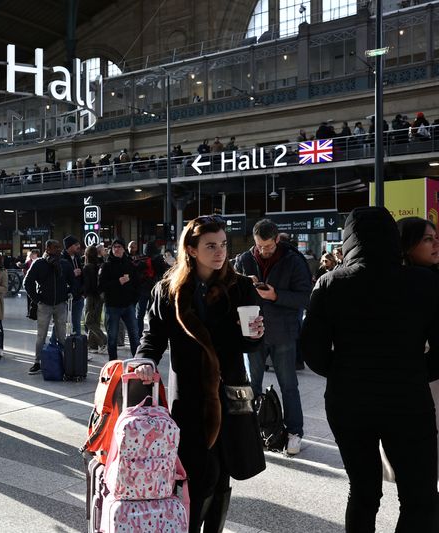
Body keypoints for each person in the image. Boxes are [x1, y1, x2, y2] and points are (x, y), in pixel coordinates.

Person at [300, 207, 439, 531]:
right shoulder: (424, 283)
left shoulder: (331, 283)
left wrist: (342, 370)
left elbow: (312, 351)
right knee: (419, 498)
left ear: (348, 240)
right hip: (407, 402)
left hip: (349, 403)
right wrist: (419, 371)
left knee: (363, 492)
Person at [135, 216, 264, 533]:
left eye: (223, 244)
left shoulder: (240, 287)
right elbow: (152, 338)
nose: (220, 252)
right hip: (190, 397)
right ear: (191, 249)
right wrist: (144, 361)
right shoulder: (168, 291)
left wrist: (256, 334)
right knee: (195, 472)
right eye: (210, 245)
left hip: (230, 395)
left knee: (224, 473)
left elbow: (251, 343)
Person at [235, 219, 311, 455]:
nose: (263, 251)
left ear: (277, 240)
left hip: (283, 333)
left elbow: (304, 298)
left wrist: (276, 296)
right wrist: (243, 287)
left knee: (289, 385)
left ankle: (294, 432)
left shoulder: (294, 261)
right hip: (252, 332)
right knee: (251, 385)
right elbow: (231, 291)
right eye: (259, 246)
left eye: (268, 246)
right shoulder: (245, 259)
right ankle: (253, 430)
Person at [23, 239, 73, 375]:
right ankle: (37, 362)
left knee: (62, 335)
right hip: (44, 304)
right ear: (47, 249)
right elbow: (27, 282)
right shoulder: (39, 263)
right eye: (55, 247)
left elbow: (73, 281)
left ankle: (65, 361)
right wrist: (37, 299)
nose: (58, 249)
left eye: (59, 247)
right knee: (41, 335)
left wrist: (69, 293)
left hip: (60, 304)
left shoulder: (64, 264)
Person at [98, 238, 140, 361]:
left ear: (123, 249)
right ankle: (113, 363)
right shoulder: (106, 265)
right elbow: (101, 286)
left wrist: (134, 300)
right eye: (114, 247)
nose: (116, 249)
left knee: (134, 336)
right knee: (112, 337)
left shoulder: (130, 264)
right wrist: (118, 282)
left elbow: (137, 283)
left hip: (128, 305)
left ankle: (137, 362)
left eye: (119, 247)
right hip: (113, 306)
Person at [82, 244, 107, 354]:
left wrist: (84, 293)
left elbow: (87, 284)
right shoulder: (101, 264)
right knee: (95, 320)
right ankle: (93, 346)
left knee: (89, 321)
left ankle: (104, 340)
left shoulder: (87, 267)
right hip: (100, 295)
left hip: (92, 296)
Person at [60, 235, 84, 336]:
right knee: (60, 322)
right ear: (69, 246)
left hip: (78, 296)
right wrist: (72, 273)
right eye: (76, 245)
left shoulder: (77, 258)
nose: (78, 246)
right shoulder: (61, 259)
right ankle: (58, 343)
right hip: (65, 296)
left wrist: (83, 293)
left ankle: (77, 346)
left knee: (77, 323)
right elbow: (59, 277)